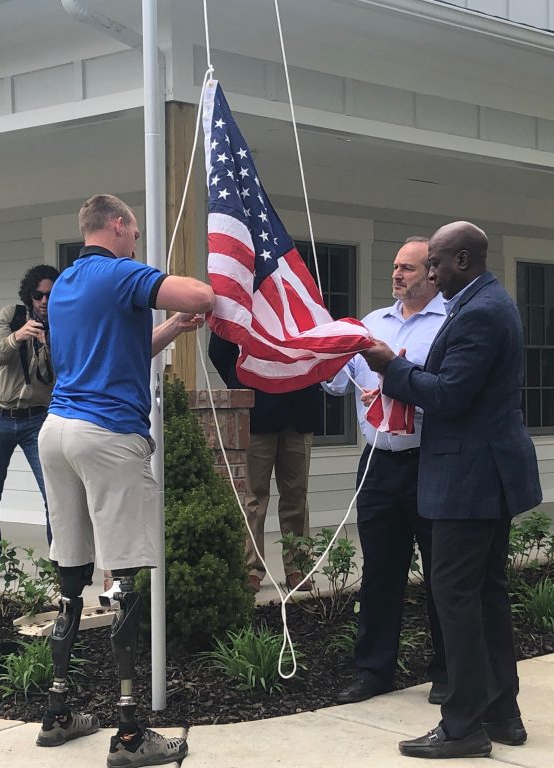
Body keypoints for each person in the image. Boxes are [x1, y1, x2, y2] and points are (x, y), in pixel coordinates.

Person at [35, 194, 213, 768]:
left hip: (57, 431)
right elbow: (200, 294)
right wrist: (194, 301)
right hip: (109, 433)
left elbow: (113, 352)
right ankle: (131, 735)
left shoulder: (64, 284)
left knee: (72, 571)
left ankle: (58, 712)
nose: (137, 241)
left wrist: (171, 332)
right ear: (116, 226)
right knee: (127, 577)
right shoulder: (119, 271)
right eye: (134, 231)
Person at [362, 221, 542, 760]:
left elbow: (451, 396)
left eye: (436, 263)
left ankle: (463, 726)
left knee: (456, 595)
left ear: (462, 260)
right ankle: (501, 713)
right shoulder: (482, 303)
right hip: (484, 474)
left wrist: (392, 370)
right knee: (485, 595)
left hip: (471, 478)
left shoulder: (480, 312)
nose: (430, 271)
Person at [322, 236, 448, 705]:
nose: (397, 274)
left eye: (408, 268)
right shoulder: (373, 323)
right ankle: (374, 671)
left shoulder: (448, 324)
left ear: (432, 274)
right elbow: (337, 384)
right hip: (377, 463)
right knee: (380, 572)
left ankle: (448, 671)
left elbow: (443, 388)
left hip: (429, 460)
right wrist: (321, 346)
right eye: (395, 267)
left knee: (442, 574)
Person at [208, 333, 321, 593]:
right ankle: (251, 568)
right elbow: (219, 349)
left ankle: (298, 566)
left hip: (299, 409)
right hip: (256, 410)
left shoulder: (303, 295)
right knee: (253, 496)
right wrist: (243, 381)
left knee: (296, 494)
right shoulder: (245, 299)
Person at [0, 264, 58, 578]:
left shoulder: (61, 324)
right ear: (30, 295)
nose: (45, 301)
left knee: (54, 494)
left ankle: (59, 565)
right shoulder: (11, 315)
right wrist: (18, 337)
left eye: (51, 294)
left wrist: (49, 344)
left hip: (36, 418)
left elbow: (62, 373)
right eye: (39, 295)